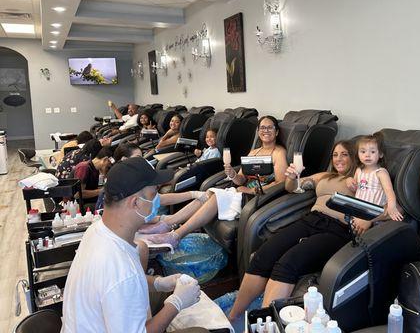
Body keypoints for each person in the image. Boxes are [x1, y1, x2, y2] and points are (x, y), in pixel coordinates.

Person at [61, 157, 205, 333]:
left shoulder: (96, 230)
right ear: (136, 202)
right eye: (154, 194)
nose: (157, 200)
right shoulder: (121, 269)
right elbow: (124, 281)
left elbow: (119, 285)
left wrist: (159, 283)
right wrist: (176, 303)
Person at [228, 140, 358, 320]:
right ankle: (232, 317)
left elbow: (385, 208)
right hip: (311, 220)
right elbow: (293, 187)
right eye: (335, 155)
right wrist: (292, 176)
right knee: (264, 255)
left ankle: (266, 326)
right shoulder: (324, 176)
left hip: (337, 229)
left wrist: (360, 187)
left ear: (354, 157)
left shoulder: (360, 179)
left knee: (288, 264)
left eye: (344, 154)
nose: (338, 159)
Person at [140, 116, 288, 247]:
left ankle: (175, 235)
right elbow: (241, 179)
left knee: (216, 196)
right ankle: (167, 223)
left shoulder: (279, 153)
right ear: (258, 131)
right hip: (241, 192)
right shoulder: (253, 152)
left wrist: (250, 190)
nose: (266, 130)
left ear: (276, 132)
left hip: (259, 198)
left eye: (270, 127)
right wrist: (232, 175)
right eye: (262, 127)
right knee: (205, 195)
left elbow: (281, 182)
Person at [347, 132, 403, 230]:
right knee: (355, 233)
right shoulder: (358, 171)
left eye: (372, 152)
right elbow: (355, 188)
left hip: (376, 213)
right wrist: (350, 181)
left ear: (380, 154)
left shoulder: (381, 172)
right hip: (359, 210)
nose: (367, 155)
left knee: (370, 236)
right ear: (358, 154)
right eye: (363, 152)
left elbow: (389, 191)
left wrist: (392, 206)